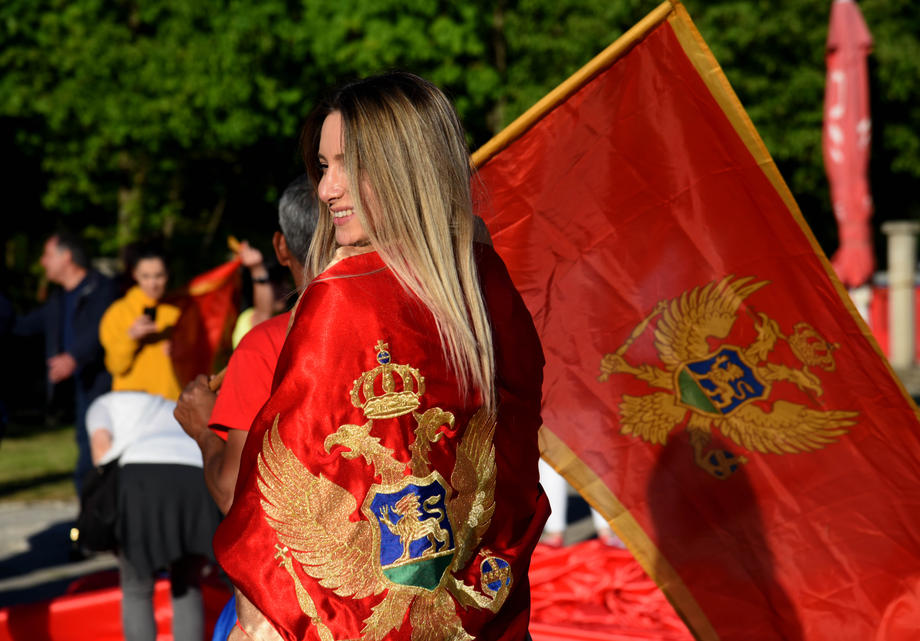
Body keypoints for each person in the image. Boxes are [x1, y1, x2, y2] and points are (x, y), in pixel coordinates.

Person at [212, 72, 549, 641]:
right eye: (323, 166)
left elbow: (274, 518)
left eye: (348, 164)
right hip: (484, 614)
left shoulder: (340, 300)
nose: (326, 189)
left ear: (406, 166)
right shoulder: (487, 285)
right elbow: (510, 485)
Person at [174, 174, 317, 641]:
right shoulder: (420, 326)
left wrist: (202, 429)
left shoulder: (266, 346)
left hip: (290, 605)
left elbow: (235, 494)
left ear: (281, 247)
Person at [85, 390, 221, 641]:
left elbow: (101, 453)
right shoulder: (170, 406)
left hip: (143, 479)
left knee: (137, 586)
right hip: (196, 476)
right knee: (187, 583)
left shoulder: (99, 406)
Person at [12, 231, 117, 490]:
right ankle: (89, 519)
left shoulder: (103, 289)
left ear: (66, 256)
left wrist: (74, 357)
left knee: (97, 459)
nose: (42, 262)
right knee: (85, 452)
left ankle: (95, 523)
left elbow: (103, 328)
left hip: (104, 387)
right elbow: (23, 326)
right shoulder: (58, 299)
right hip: (77, 391)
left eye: (47, 255)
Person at [99, 244, 181, 400]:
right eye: (146, 276)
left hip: (171, 403)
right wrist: (130, 337)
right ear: (135, 275)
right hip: (132, 404)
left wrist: (180, 351)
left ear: (168, 275)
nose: (153, 284)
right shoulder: (118, 312)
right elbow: (116, 366)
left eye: (159, 275)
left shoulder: (177, 313)